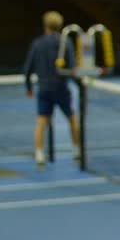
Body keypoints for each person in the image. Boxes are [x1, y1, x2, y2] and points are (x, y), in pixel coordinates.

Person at [23, 10, 80, 169]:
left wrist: (28, 88)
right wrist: (80, 85)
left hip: (44, 88)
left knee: (41, 121)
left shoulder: (37, 44)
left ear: (45, 25)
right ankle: (77, 150)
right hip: (61, 88)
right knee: (72, 118)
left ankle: (39, 154)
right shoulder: (65, 42)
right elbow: (73, 68)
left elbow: (28, 68)